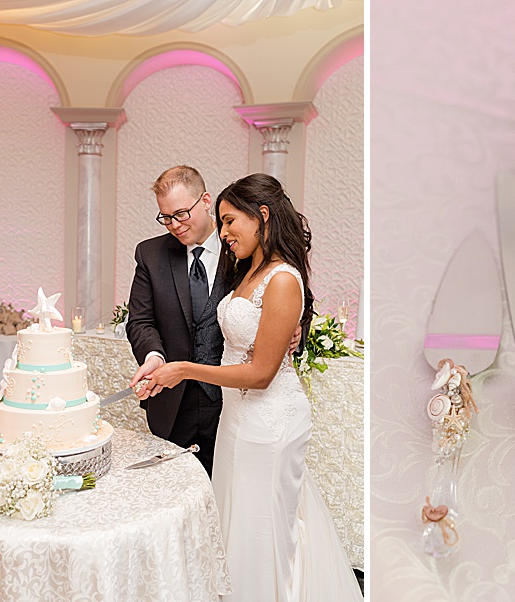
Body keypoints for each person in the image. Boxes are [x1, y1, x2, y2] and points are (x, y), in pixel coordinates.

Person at [144, 173, 362, 601]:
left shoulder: (281, 278)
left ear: (261, 215)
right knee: (237, 522)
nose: (223, 232)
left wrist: (184, 370)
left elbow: (262, 373)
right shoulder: (245, 269)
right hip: (236, 417)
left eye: (229, 221)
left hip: (270, 421)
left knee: (262, 528)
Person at [127, 165, 300, 476]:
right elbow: (140, 321)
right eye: (166, 217)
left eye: (181, 214)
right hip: (173, 404)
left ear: (205, 201)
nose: (175, 225)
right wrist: (154, 356)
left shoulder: (244, 248)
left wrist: (295, 328)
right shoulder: (150, 254)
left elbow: (288, 295)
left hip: (233, 401)